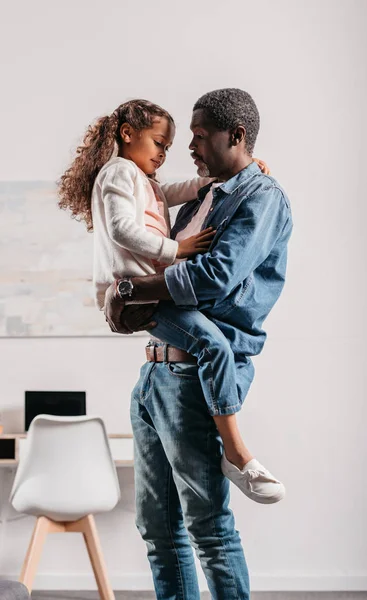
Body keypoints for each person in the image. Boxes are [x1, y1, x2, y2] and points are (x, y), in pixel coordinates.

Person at [104, 88, 293, 599]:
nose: (189, 146)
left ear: (237, 136)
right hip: (153, 377)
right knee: (158, 531)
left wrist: (128, 290)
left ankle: (239, 452)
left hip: (193, 378)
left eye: (200, 135)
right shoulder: (205, 193)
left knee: (208, 528)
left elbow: (213, 276)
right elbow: (161, 257)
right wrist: (132, 291)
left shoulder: (262, 198)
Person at [58, 97, 283, 504]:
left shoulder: (143, 179)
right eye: (160, 143)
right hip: (137, 289)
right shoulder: (117, 174)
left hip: (146, 297)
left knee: (191, 520)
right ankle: (235, 452)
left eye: (182, 142)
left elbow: (177, 191)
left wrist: (222, 179)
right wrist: (174, 251)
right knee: (212, 344)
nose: (168, 153)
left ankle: (234, 451)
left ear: (236, 137)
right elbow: (125, 230)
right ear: (128, 135)